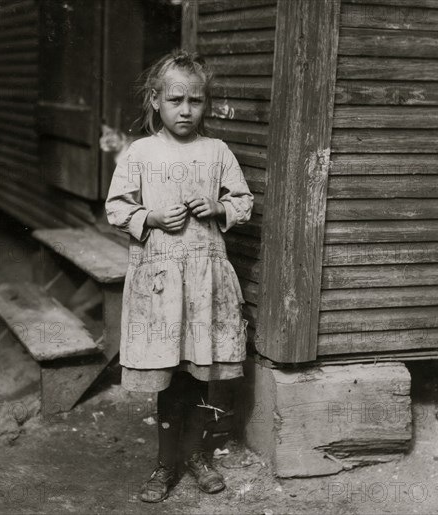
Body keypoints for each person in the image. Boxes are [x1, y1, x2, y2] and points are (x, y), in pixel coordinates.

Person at [105, 49, 253, 503]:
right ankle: (165, 464)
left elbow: (244, 202)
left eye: (195, 101)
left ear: (205, 104)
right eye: (175, 100)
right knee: (169, 378)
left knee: (201, 372)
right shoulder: (142, 153)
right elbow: (116, 207)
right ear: (155, 100)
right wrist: (149, 217)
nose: (185, 110)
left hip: (205, 285)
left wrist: (220, 207)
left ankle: (197, 456)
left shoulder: (217, 151)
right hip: (161, 286)